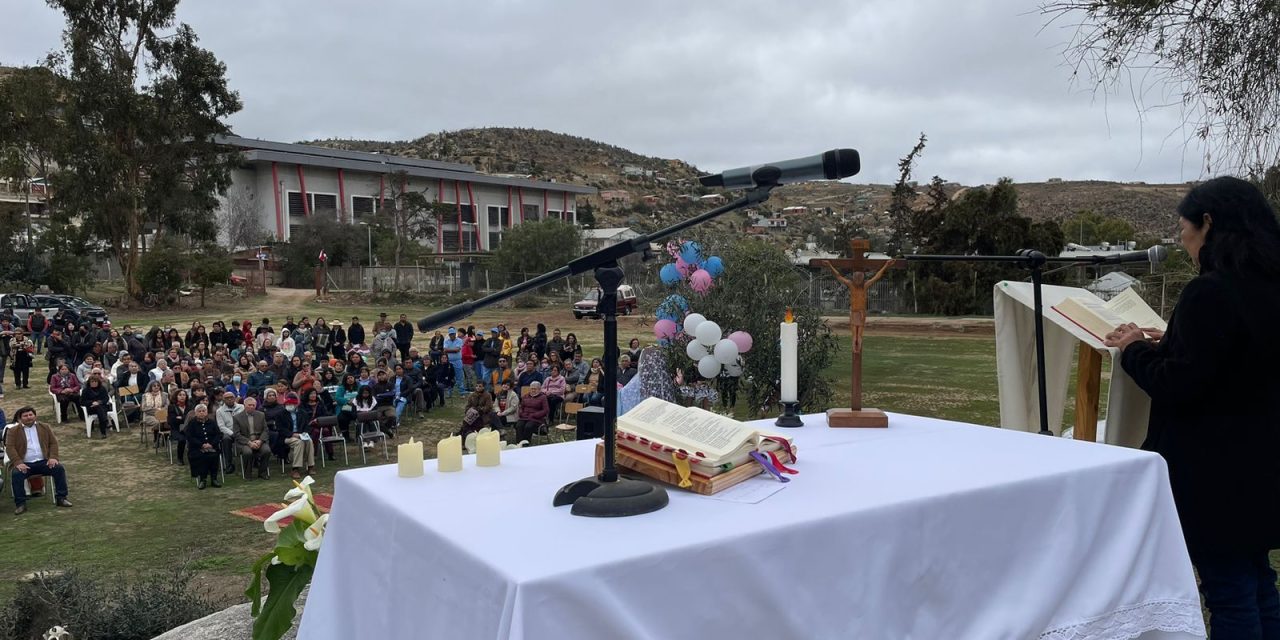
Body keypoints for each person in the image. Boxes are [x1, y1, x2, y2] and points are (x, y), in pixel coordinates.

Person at [1104, 176, 1280, 639]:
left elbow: (1178, 385)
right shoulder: (1268, 286)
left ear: (1208, 223)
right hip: (1264, 466)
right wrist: (1174, 342)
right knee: (1259, 582)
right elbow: (1235, 362)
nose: (1182, 240)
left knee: (1229, 591)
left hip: (1214, 472)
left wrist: (1134, 350)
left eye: (1184, 228)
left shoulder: (1212, 291)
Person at [5, 406, 73, 514]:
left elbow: (53, 443)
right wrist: (18, 462)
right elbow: (10, 447)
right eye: (25, 416)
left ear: (35, 416)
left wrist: (53, 457)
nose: (28, 417)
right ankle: (20, 504)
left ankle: (61, 498)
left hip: (43, 462)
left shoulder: (45, 427)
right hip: (25, 464)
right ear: (20, 418)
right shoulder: (13, 431)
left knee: (59, 468)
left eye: (30, 415)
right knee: (16, 474)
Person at [184, 403, 222, 489]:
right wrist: (201, 445)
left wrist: (211, 444)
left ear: (207, 412)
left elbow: (218, 435)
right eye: (199, 411)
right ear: (195, 413)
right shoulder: (192, 423)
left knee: (213, 455)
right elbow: (190, 437)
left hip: (212, 446)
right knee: (201, 456)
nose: (201, 413)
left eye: (203, 411)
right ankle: (202, 479)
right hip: (197, 448)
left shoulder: (212, 422)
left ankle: (214, 479)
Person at [278, 392, 316, 479]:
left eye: (291, 404)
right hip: (287, 437)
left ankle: (311, 466)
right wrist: (292, 434)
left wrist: (305, 433)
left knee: (309, 440)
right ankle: (295, 468)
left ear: (296, 404)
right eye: (287, 404)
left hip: (301, 435)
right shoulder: (280, 414)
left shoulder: (303, 413)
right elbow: (280, 429)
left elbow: (308, 426)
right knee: (299, 442)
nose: (289, 405)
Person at [234, 396, 271, 479]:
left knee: (267, 451)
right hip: (245, 442)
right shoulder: (237, 417)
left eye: (253, 405)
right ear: (244, 405)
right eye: (249, 405)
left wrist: (260, 441)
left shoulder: (261, 415)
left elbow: (265, 430)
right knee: (248, 452)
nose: (251, 407)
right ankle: (248, 473)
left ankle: (262, 472)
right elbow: (237, 434)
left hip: (259, 440)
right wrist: (249, 442)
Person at [141, 381, 169, 447]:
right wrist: (157, 411)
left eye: (158, 385)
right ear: (150, 387)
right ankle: (156, 440)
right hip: (149, 415)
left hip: (162, 414)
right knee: (158, 422)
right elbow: (144, 408)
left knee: (166, 422)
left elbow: (167, 406)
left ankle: (164, 439)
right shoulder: (145, 395)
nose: (156, 387)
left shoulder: (164, 395)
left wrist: (161, 411)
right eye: (154, 386)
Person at [168, 389, 191, 463]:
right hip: (176, 429)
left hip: (187, 428)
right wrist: (184, 418)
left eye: (184, 395)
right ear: (176, 396)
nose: (182, 397)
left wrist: (180, 417)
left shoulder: (189, 406)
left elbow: (190, 418)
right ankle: (180, 458)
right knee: (182, 439)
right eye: (180, 395)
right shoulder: (171, 407)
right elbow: (172, 421)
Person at [443, 327, 465, 394]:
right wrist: (453, 350)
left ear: (455, 334)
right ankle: (450, 391)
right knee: (449, 376)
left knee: (459, 376)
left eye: (453, 334)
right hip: (449, 361)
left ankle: (461, 391)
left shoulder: (459, 340)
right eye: (450, 334)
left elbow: (457, 350)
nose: (451, 335)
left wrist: (449, 350)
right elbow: (445, 350)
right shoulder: (446, 341)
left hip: (457, 361)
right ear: (449, 335)